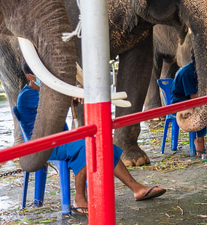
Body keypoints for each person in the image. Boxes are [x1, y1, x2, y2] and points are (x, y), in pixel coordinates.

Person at [17, 64, 165, 212]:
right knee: (86, 145)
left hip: (60, 140)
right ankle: (79, 197)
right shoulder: (27, 95)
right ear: (31, 77)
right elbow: (56, 102)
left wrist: (74, 94)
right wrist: (73, 93)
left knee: (101, 142)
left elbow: (58, 100)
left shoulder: (46, 92)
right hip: (44, 146)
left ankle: (136, 188)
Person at [170, 52, 207, 158]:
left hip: (190, 99)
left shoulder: (197, 70)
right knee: (202, 110)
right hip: (180, 103)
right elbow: (194, 97)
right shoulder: (188, 72)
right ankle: (199, 139)